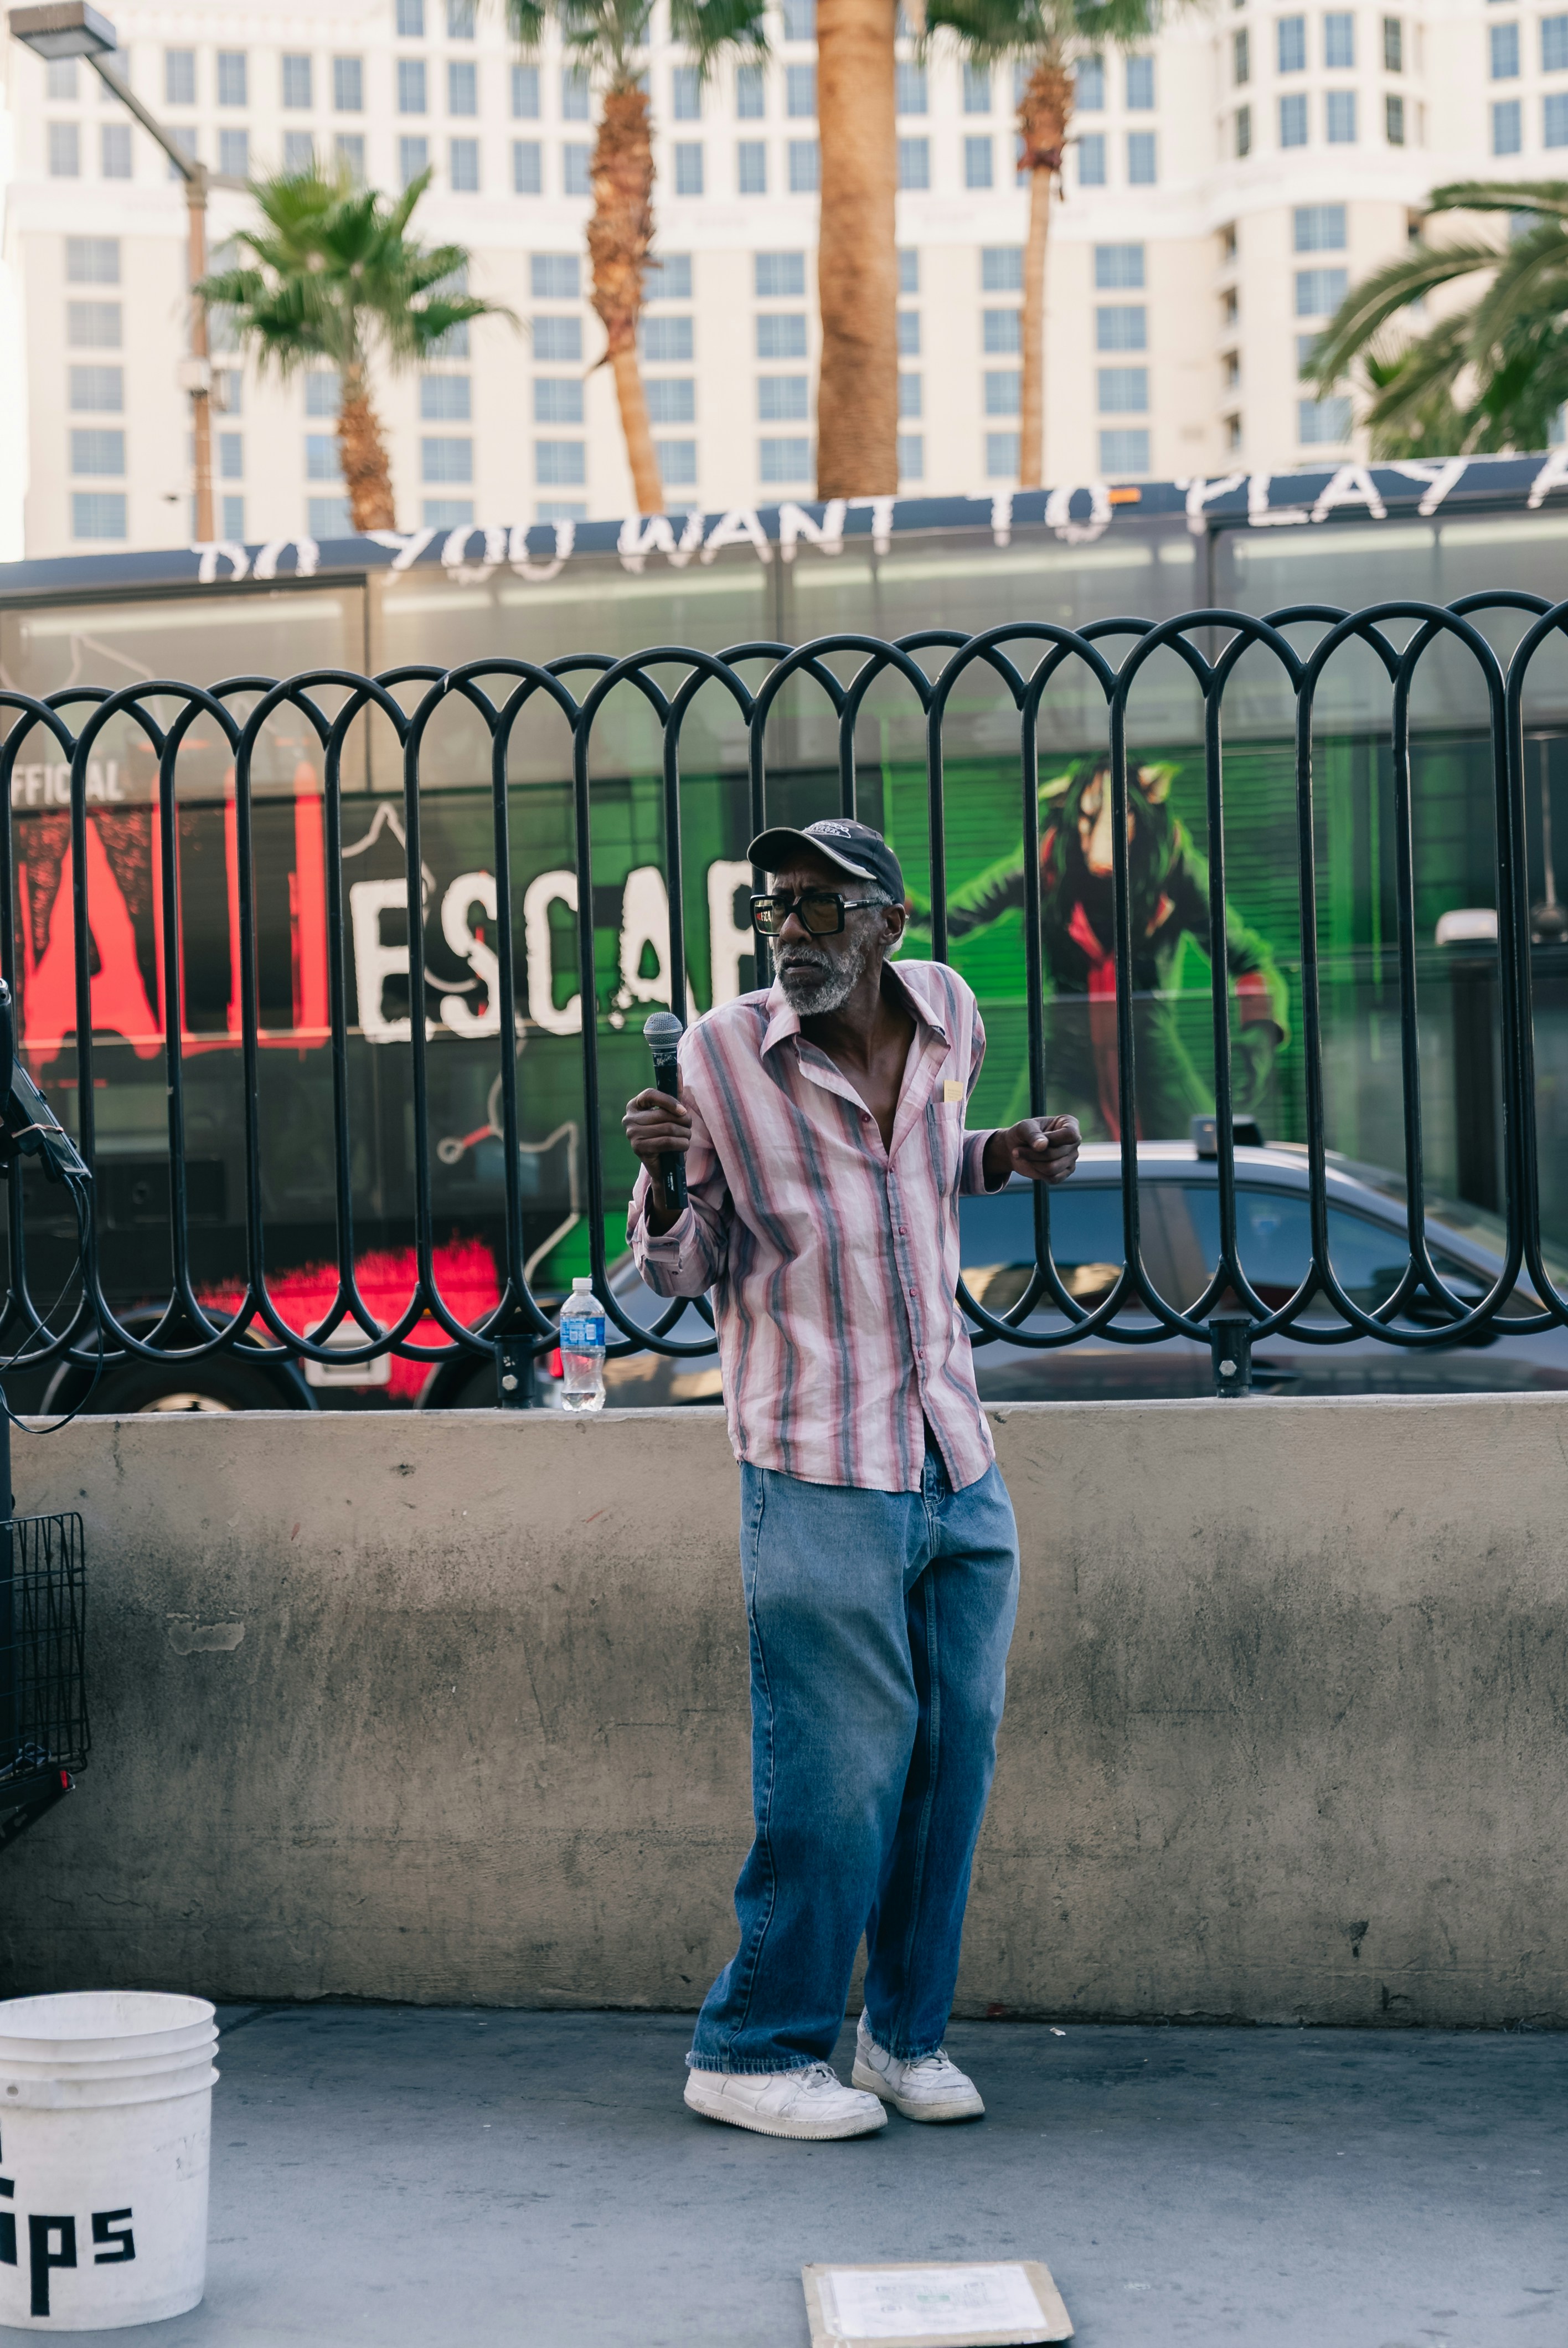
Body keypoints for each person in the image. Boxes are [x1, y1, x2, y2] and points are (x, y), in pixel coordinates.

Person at [623, 817, 1080, 2144]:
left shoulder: (946, 1012)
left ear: (886, 923)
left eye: (821, 908)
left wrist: (1003, 1155)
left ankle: (900, 2035)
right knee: (834, 1775)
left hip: (952, 1447)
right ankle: (752, 2046)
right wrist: (656, 1174)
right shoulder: (718, 1053)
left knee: (951, 1762)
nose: (790, 931)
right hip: (817, 1458)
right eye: (776, 907)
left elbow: (919, 1171)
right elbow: (681, 1267)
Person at [906, 759, 1288, 1142]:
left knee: (1203, 1162)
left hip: (1152, 1055)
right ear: (1074, 818)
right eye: (1090, 819)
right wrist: (899, 903)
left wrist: (1261, 1028)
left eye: (1125, 816)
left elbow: (1249, 959)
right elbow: (952, 920)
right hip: (1066, 1063)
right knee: (1025, 1162)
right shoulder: (1046, 861)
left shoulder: (1171, 864)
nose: (1104, 839)